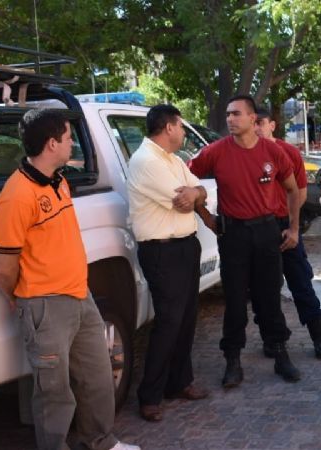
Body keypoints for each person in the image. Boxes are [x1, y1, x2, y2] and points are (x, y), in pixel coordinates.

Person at [0, 109, 139, 450]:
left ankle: (101, 441)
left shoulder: (58, 179)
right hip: (45, 304)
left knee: (97, 375)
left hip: (79, 295)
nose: (72, 142)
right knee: (53, 393)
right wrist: (23, 299)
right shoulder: (16, 196)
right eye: (68, 136)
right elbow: (3, 268)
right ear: (51, 143)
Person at [189, 95, 301, 388]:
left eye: (236, 114)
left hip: (267, 231)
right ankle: (233, 360)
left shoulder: (273, 152)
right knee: (235, 299)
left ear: (253, 119)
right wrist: (205, 214)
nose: (230, 119)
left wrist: (293, 228)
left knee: (269, 297)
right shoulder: (215, 152)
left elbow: (293, 190)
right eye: (227, 114)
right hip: (233, 234)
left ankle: (280, 354)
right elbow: (185, 177)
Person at [127, 104, 209, 422]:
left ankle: (179, 382)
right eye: (182, 126)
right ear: (170, 127)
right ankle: (149, 395)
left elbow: (199, 191)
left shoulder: (172, 160)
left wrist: (196, 193)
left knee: (187, 318)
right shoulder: (146, 161)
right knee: (168, 322)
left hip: (186, 246)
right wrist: (194, 194)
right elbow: (184, 200)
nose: (185, 131)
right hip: (162, 251)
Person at [254, 107, 321, 359]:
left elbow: (299, 193)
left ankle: (319, 336)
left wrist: (291, 225)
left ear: (272, 125)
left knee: (301, 282)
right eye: (253, 123)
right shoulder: (247, 154)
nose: (256, 128)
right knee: (263, 289)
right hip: (258, 228)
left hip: (285, 224)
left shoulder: (289, 153)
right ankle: (271, 338)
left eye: (260, 123)